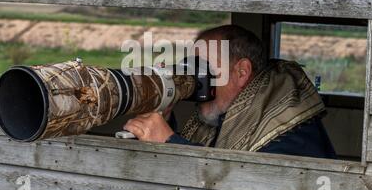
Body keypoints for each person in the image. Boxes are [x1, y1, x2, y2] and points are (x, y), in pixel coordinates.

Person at [124, 25, 336, 159]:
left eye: (203, 69)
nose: (196, 79)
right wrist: (165, 117)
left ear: (242, 72)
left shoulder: (287, 129)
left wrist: (171, 144)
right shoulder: (229, 113)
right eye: (190, 68)